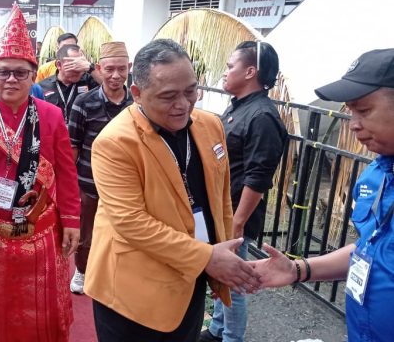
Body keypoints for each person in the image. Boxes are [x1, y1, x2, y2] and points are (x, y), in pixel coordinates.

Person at [84, 39, 261, 342]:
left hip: (189, 275)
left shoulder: (210, 125)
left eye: (190, 91)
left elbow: (220, 197)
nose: (183, 104)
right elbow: (130, 222)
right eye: (168, 96)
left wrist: (224, 256)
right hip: (132, 291)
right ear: (137, 94)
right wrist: (208, 258)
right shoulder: (115, 142)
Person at [0, 4, 81, 342]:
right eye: (3, 72)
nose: (11, 79)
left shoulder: (51, 116)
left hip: (43, 230)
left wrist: (73, 221)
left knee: (46, 312)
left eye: (20, 73)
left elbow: (66, 172)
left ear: (33, 76)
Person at [252, 48, 394, 342]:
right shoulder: (377, 174)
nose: (353, 123)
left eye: (364, 110)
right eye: (351, 111)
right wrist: (297, 269)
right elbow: (370, 251)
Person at [200, 41, 288, 342]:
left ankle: (231, 338)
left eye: (230, 67)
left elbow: (258, 178)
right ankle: (217, 329)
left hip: (237, 217)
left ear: (250, 71)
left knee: (235, 283)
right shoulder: (239, 107)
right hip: (222, 212)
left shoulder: (262, 116)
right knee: (221, 276)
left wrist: (236, 223)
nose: (225, 73)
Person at [66, 41, 133, 295]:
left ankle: (118, 273)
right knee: (87, 234)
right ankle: (82, 271)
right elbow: (73, 147)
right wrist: (71, 187)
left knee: (125, 232)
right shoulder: (84, 102)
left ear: (129, 68)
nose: (116, 75)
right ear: (99, 68)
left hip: (127, 184)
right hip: (89, 181)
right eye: (109, 69)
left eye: (121, 69)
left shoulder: (137, 103)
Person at [39, 44, 99, 124]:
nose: (78, 70)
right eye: (73, 65)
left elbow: (109, 86)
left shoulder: (89, 81)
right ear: (59, 65)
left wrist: (90, 67)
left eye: (81, 65)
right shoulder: (42, 87)